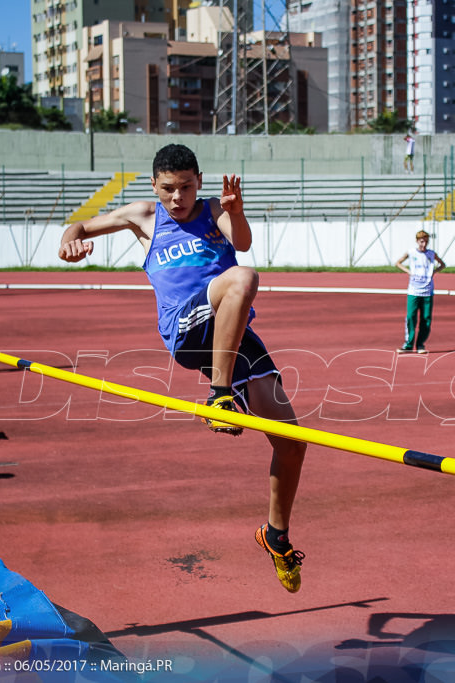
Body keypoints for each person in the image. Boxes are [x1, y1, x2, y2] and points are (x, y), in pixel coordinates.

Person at [58, 144, 307, 593]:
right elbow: (78, 223)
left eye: (187, 187)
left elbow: (243, 242)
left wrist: (238, 212)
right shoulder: (143, 216)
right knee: (244, 278)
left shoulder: (215, 209)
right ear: (155, 186)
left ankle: (276, 534)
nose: (178, 198)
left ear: (200, 181)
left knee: (292, 441)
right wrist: (68, 241)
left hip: (232, 335)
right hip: (186, 328)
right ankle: (218, 396)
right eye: (169, 189)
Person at [394, 230, 445, 354]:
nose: (424, 244)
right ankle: (408, 344)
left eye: (426, 241)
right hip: (413, 290)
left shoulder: (431, 254)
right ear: (417, 241)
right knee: (411, 317)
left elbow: (442, 264)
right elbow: (398, 263)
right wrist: (409, 272)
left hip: (427, 290)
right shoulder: (411, 252)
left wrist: (434, 272)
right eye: (422, 241)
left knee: (426, 318)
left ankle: (420, 344)